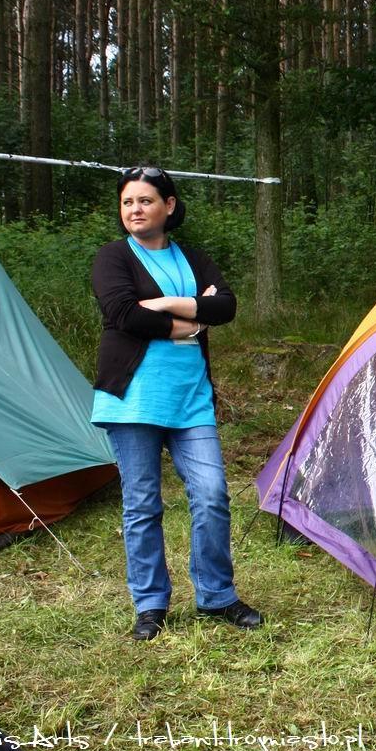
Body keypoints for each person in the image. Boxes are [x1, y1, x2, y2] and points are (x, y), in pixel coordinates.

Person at [91, 165, 262, 641]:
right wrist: (193, 316)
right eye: (127, 202)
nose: (135, 210)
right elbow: (122, 314)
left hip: (191, 398)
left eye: (145, 201)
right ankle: (150, 605)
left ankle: (216, 596)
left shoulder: (194, 257)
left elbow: (226, 306)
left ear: (168, 206)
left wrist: (165, 305)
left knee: (211, 494)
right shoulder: (113, 257)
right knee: (142, 504)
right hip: (132, 399)